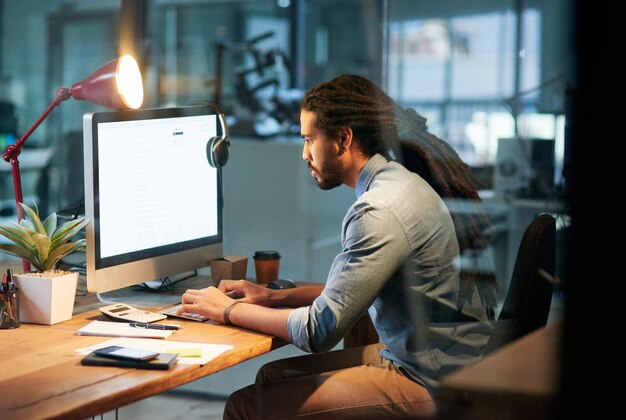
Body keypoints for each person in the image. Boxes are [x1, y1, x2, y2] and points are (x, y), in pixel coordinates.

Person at [178, 74, 495, 419]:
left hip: (434, 379)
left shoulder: (378, 210)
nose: (304, 154)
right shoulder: (400, 183)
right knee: (272, 376)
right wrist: (270, 296)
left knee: (245, 406)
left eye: (309, 140)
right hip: (438, 360)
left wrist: (225, 309)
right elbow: (348, 293)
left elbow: (319, 331)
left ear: (343, 139)